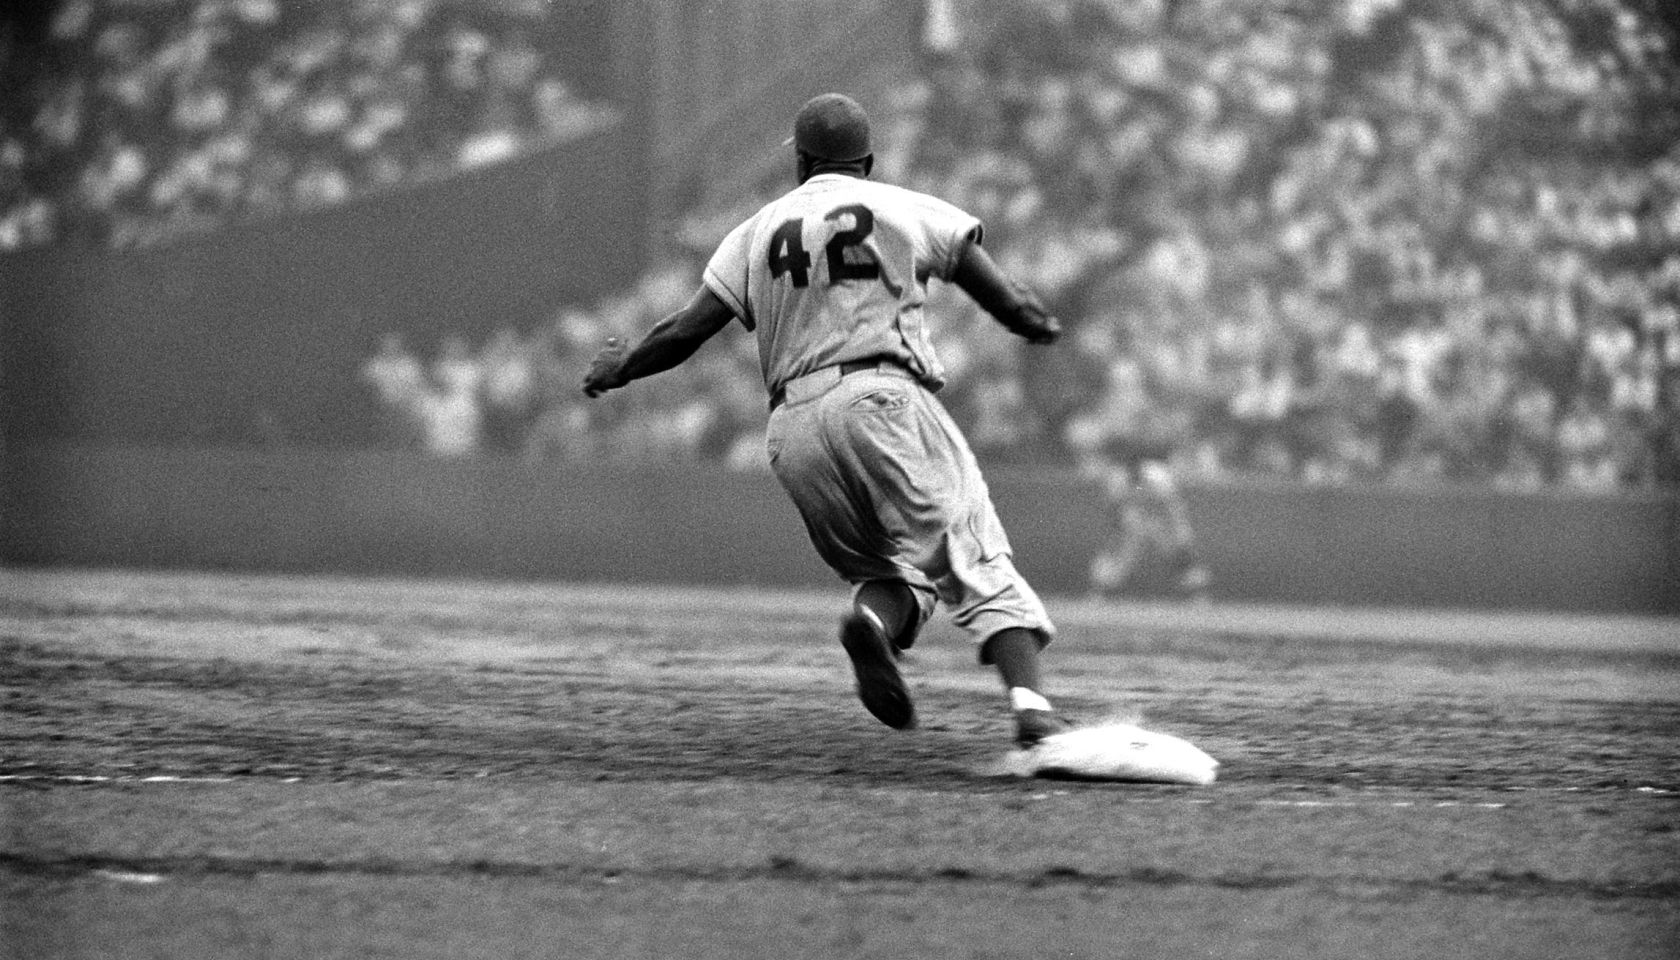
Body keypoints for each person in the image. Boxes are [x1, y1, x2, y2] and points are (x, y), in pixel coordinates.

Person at [581, 93, 1070, 748]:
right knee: (973, 551)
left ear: (803, 161)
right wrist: (1026, 319)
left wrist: (623, 367)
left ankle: (871, 623)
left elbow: (688, 328)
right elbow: (979, 274)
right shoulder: (898, 204)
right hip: (882, 398)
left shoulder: (756, 229)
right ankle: (1033, 708)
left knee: (889, 573)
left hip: (793, 428)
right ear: (865, 160)